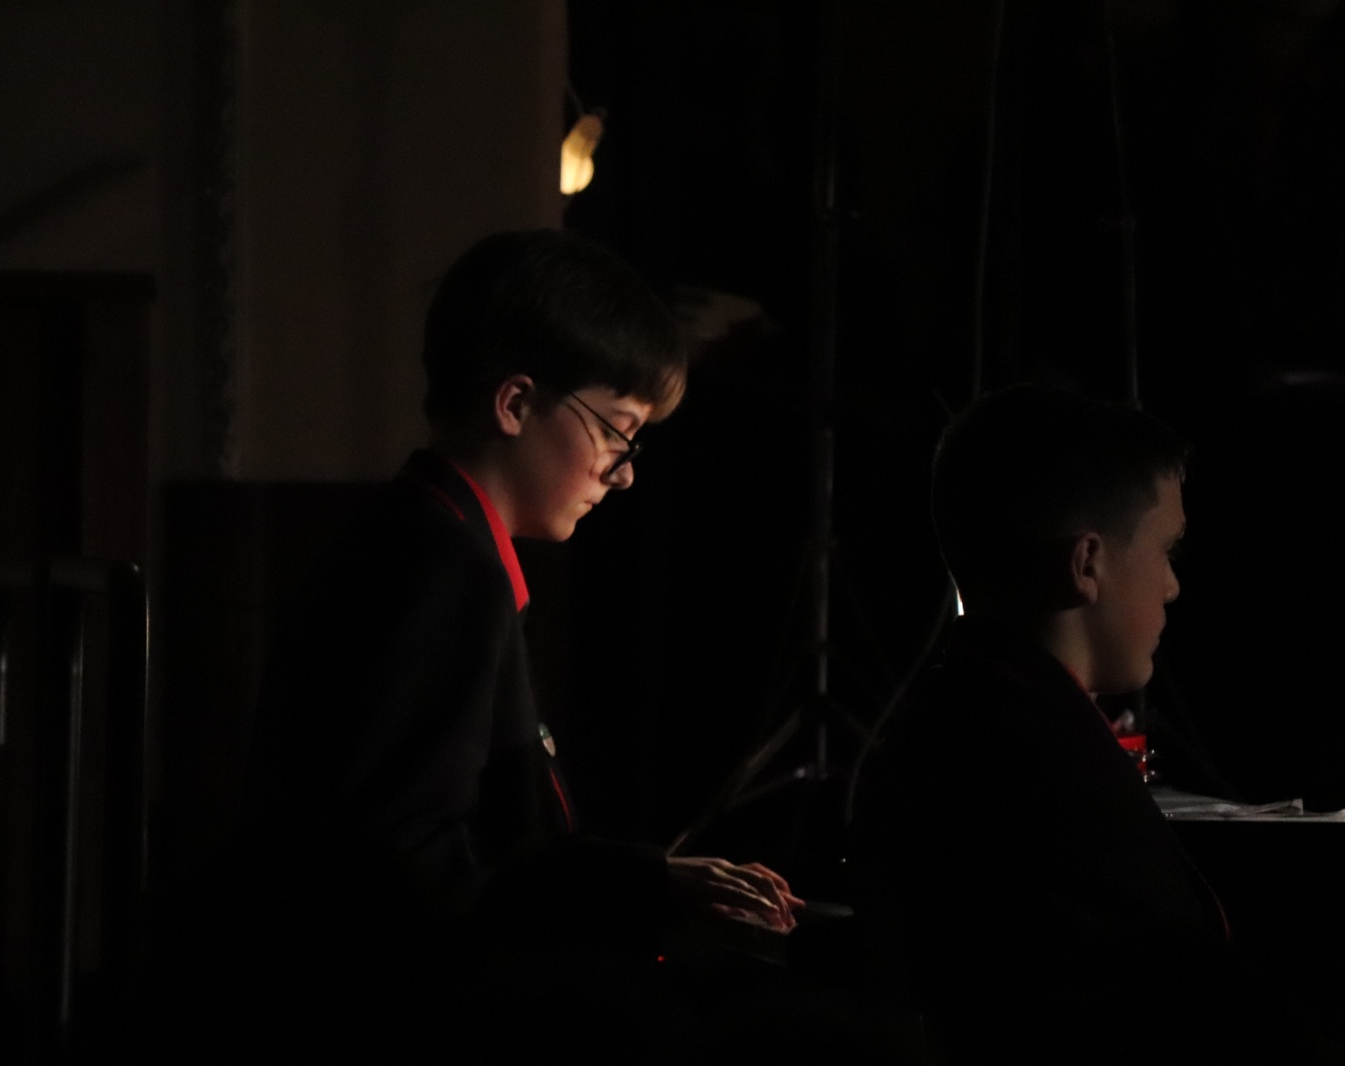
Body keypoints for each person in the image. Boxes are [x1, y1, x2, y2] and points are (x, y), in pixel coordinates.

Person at [225, 229, 804, 1055]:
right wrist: (639, 889)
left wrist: (651, 879)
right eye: (617, 431)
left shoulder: (430, 543)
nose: (624, 472)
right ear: (516, 403)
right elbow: (407, 870)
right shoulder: (441, 569)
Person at [850, 384, 1317, 1063]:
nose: (1172, 585)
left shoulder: (948, 719)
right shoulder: (1042, 773)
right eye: (1167, 550)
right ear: (1087, 563)